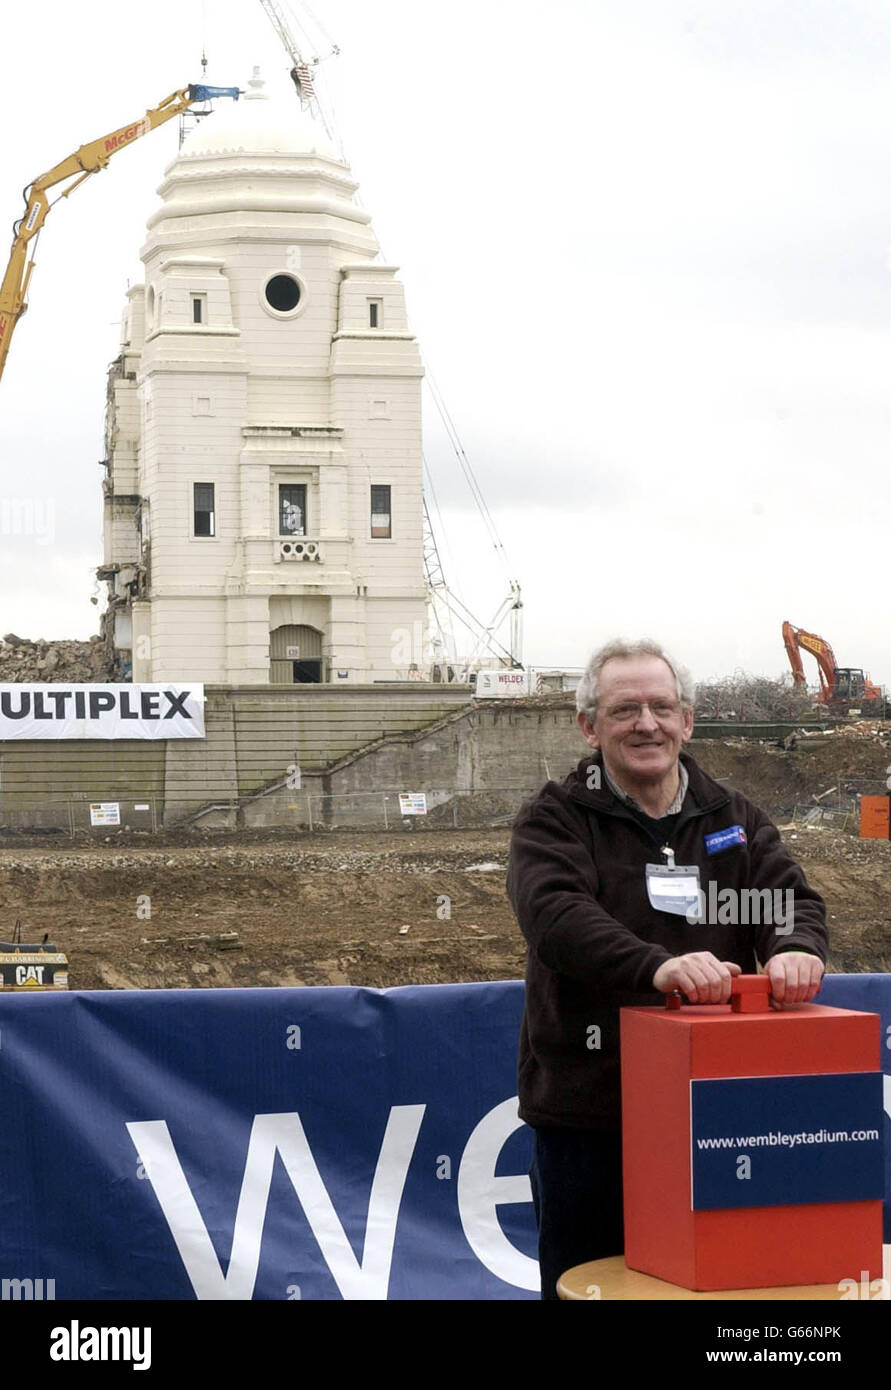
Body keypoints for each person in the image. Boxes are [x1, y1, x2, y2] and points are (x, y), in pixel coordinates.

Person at [506, 638, 828, 1299]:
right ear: (589, 726)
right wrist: (656, 967)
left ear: (686, 719)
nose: (645, 724)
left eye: (660, 706)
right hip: (592, 1120)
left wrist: (796, 946)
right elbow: (555, 917)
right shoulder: (554, 818)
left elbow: (787, 897)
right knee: (590, 1286)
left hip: (717, 1112)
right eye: (624, 710)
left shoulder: (731, 817)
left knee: (726, 1287)